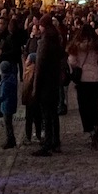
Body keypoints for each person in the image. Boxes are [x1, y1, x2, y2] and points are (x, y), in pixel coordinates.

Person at [68, 26, 98, 150]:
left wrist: (77, 65)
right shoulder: (96, 46)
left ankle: (90, 130)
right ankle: (95, 127)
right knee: (94, 105)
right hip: (95, 79)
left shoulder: (76, 46)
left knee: (84, 107)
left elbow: (72, 61)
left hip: (82, 80)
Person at [33, 17, 67, 156]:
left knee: (47, 114)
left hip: (46, 81)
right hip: (54, 80)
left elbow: (40, 65)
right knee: (53, 113)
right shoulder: (56, 38)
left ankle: (47, 143)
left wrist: (36, 86)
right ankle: (55, 141)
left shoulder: (45, 40)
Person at [0, 59, 19, 149]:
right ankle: (11, 140)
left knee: (8, 124)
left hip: (6, 106)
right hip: (11, 104)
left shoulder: (5, 82)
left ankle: (10, 140)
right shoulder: (12, 78)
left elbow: (3, 96)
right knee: (9, 123)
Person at [20, 53, 40, 144]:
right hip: (35, 98)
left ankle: (28, 137)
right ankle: (38, 135)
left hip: (31, 98)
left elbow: (27, 86)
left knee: (29, 118)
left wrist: (24, 98)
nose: (25, 61)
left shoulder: (30, 70)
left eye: (27, 59)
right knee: (37, 118)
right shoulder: (36, 69)